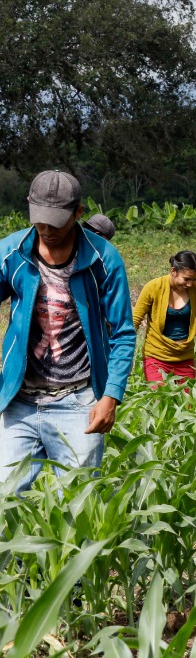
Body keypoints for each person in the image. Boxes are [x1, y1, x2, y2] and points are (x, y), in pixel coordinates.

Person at [0, 170, 135, 494]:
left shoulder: (104, 259)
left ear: (78, 212)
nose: (46, 230)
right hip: (18, 400)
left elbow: (123, 333)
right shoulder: (11, 252)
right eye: (40, 221)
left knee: (78, 505)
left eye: (56, 222)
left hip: (78, 402)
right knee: (3, 501)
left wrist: (110, 396)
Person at [132, 251, 196, 386]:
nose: (190, 284)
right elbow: (134, 322)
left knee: (188, 405)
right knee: (160, 401)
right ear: (173, 271)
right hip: (156, 358)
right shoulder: (153, 287)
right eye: (186, 279)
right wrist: (126, 357)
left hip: (185, 359)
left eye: (194, 279)